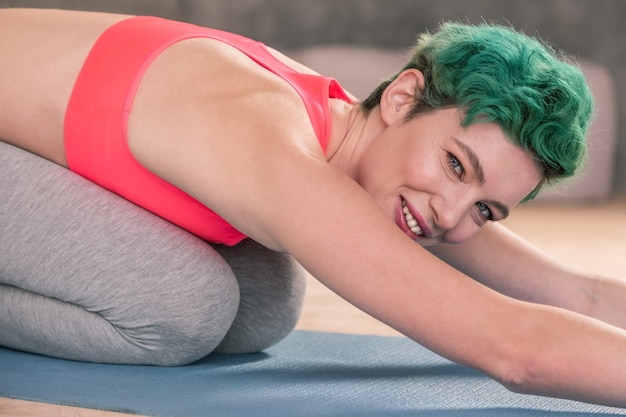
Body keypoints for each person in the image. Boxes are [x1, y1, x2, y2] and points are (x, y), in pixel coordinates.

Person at [0, 7, 625, 408]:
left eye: (487, 210)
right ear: (404, 98)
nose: (451, 215)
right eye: (457, 166)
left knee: (263, 302)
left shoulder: (367, 142)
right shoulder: (267, 137)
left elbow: (576, 294)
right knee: (181, 307)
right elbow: (513, 348)